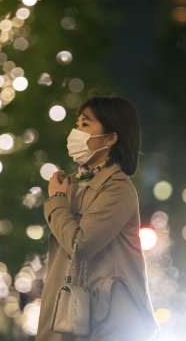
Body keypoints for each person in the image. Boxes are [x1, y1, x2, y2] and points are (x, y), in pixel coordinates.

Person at [36, 96, 160, 341]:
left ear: (111, 138)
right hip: (72, 316)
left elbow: (79, 244)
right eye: (77, 125)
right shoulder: (72, 183)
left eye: (85, 125)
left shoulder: (118, 189)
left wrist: (57, 200)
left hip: (107, 320)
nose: (76, 132)